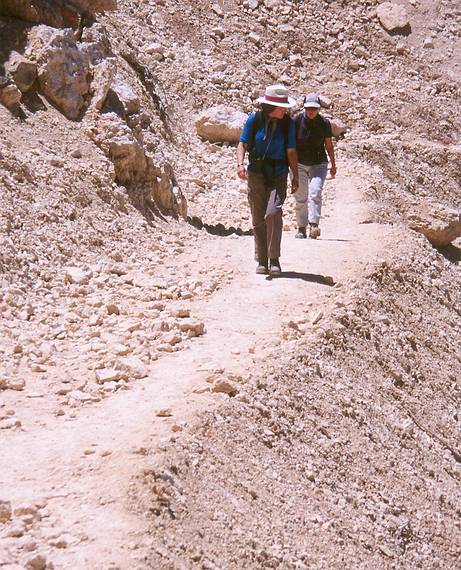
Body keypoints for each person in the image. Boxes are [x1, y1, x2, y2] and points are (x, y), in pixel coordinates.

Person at [237, 84, 298, 276]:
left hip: (278, 172)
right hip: (256, 173)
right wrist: (240, 164)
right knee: (258, 217)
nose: (285, 110)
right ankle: (262, 260)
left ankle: (274, 259)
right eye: (282, 107)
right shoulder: (254, 121)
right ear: (272, 107)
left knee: (273, 214)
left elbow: (291, 151)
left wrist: (295, 175)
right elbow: (243, 144)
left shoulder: (288, 124)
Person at [293, 92, 337, 239]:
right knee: (301, 196)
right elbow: (290, 145)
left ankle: (314, 225)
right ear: (304, 108)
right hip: (299, 163)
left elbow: (329, 145)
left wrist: (333, 164)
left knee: (315, 192)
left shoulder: (324, 123)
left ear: (318, 109)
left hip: (319, 163)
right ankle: (301, 227)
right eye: (308, 108)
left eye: (314, 108)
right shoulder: (296, 122)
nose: (311, 111)